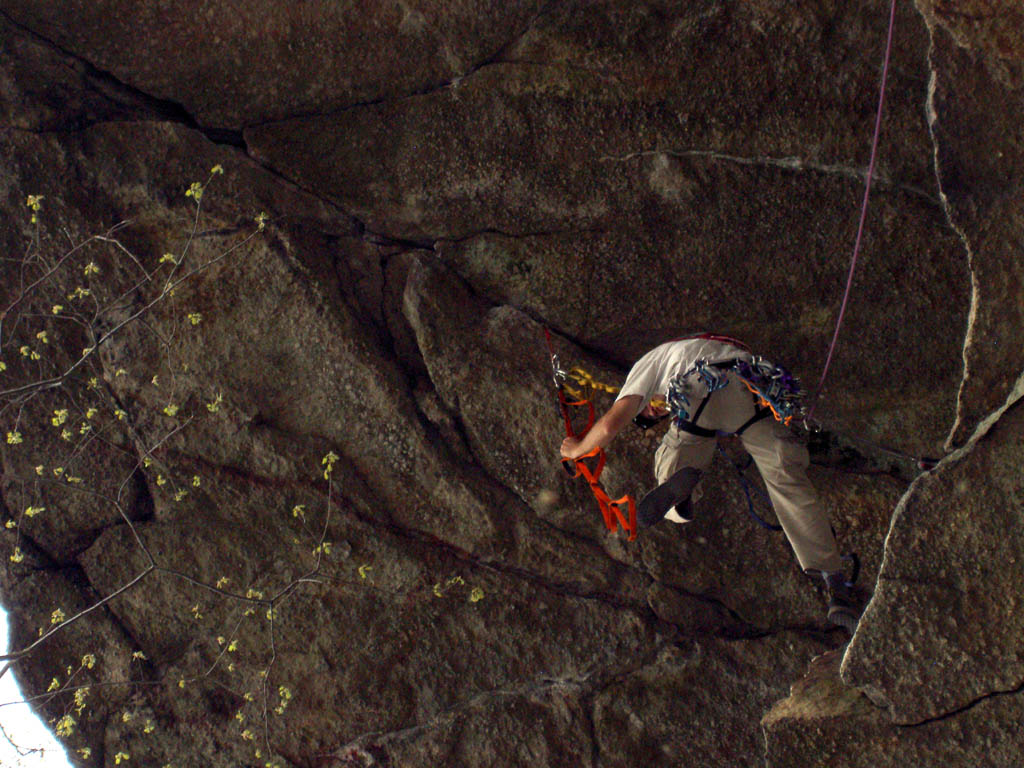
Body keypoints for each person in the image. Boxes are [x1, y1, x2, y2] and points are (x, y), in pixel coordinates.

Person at [558, 335, 859, 631]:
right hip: (749, 382)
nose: (655, 411)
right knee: (785, 476)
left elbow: (611, 423)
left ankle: (680, 493)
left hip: (700, 383)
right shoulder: (708, 346)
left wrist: (577, 448)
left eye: (649, 411)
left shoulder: (648, 364)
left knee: (680, 446)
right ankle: (834, 580)